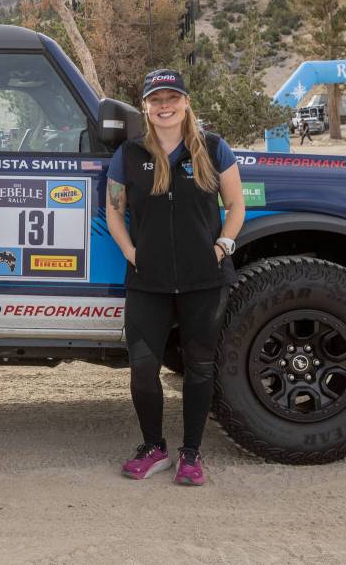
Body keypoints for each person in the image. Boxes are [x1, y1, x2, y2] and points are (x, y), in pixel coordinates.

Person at [105, 69, 245, 486]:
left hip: (204, 279)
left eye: (172, 97)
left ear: (186, 102)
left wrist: (223, 246)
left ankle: (191, 453)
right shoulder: (129, 154)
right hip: (148, 281)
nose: (164, 106)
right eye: (155, 99)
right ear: (145, 107)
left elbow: (236, 204)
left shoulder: (214, 149)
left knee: (200, 367)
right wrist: (132, 253)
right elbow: (114, 209)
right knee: (143, 368)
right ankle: (154, 448)